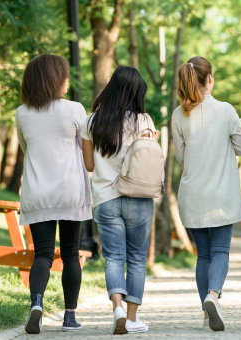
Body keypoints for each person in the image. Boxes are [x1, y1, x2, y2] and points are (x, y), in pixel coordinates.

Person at [15, 54, 92, 334]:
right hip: (70, 192)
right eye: (65, 75)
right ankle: (69, 318)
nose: (68, 81)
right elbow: (87, 150)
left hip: (37, 193)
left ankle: (37, 303)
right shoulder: (74, 109)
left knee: (43, 254)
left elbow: (27, 149)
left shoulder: (22, 113)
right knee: (71, 253)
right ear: (54, 78)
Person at [171, 56, 241, 332]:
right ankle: (213, 295)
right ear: (210, 80)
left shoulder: (179, 115)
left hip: (192, 194)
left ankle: (206, 315)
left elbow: (181, 157)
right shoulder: (226, 110)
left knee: (203, 255)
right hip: (222, 195)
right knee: (220, 251)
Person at [81, 66, 158, 334]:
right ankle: (133, 319)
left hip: (105, 198)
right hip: (138, 196)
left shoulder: (91, 122)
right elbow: (150, 159)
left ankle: (117, 310)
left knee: (113, 257)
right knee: (136, 258)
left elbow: (89, 165)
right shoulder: (144, 121)